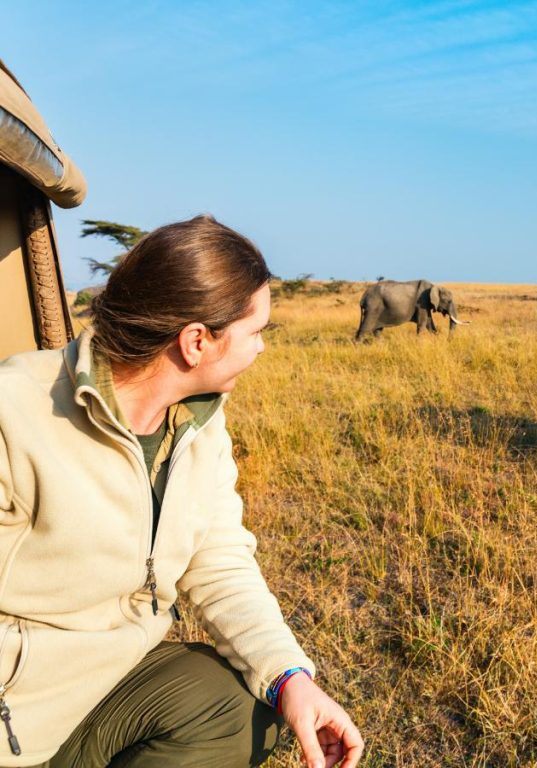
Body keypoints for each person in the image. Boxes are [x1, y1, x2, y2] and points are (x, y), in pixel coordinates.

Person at [0, 216, 363, 768]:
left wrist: (290, 678)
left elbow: (219, 562)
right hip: (18, 720)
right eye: (256, 331)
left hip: (111, 685)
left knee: (240, 708)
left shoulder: (196, 424)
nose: (262, 348)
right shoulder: (15, 414)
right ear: (197, 341)